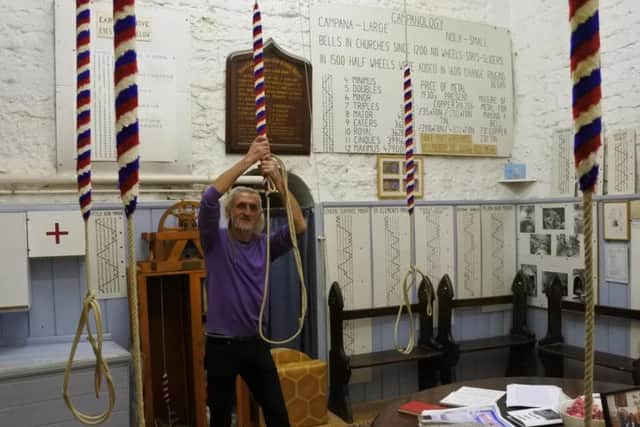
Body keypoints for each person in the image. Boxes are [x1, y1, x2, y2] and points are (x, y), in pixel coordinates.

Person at [199, 136, 307, 427]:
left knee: (277, 413)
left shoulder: (266, 244)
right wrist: (249, 160)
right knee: (220, 418)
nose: (246, 211)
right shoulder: (214, 241)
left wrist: (277, 178)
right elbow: (209, 198)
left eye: (253, 207)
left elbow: (299, 226)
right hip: (220, 345)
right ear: (230, 212)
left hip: (255, 342)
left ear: (260, 214)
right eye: (240, 206)